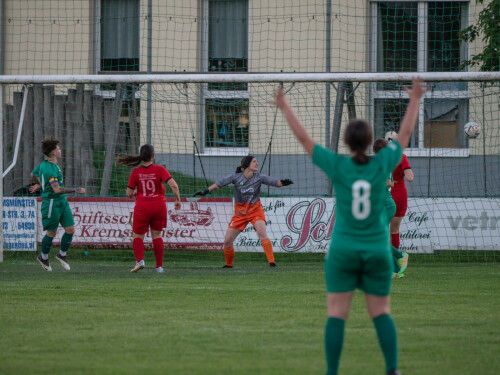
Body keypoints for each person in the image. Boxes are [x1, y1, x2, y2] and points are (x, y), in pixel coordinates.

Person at [274, 78, 427, 375]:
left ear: (345, 142)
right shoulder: (382, 164)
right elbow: (405, 136)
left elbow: (306, 141)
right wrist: (415, 99)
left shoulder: (338, 165)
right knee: (381, 312)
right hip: (376, 252)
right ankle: (393, 369)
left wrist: (284, 106)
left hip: (343, 251)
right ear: (372, 142)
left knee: (337, 314)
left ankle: (332, 372)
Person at [193, 156, 293, 268]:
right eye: (254, 161)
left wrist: (283, 183)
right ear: (247, 164)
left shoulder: (259, 177)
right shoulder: (235, 177)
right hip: (240, 214)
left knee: (261, 233)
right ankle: (228, 265)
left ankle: (272, 263)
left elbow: (275, 182)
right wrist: (205, 191)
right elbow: (220, 183)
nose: (257, 163)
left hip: (255, 211)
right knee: (227, 241)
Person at [116, 144, 181, 273]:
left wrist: (136, 192)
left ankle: (140, 261)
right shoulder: (160, 169)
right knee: (157, 235)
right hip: (159, 206)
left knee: (137, 236)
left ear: (141, 156)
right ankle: (159, 267)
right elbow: (174, 185)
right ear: (153, 156)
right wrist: (178, 200)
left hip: (142, 207)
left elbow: (129, 193)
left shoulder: (135, 172)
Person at [29, 138, 86, 271]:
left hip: (62, 201)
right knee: (51, 233)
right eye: (58, 149)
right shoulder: (49, 169)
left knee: (70, 229)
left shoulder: (50, 165)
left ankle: (62, 255)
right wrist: (75, 190)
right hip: (52, 203)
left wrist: (40, 183)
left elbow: (33, 174)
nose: (60, 150)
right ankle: (43, 257)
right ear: (54, 153)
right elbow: (57, 189)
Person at [373, 138, 409, 278]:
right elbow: (392, 184)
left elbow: (388, 182)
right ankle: (394, 270)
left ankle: (400, 256)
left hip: (386, 205)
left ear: (374, 150)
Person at [385, 131, 413, 272]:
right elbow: (410, 177)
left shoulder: (382, 158)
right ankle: (395, 261)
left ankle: (394, 262)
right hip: (398, 195)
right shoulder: (401, 157)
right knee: (393, 230)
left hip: (386, 197)